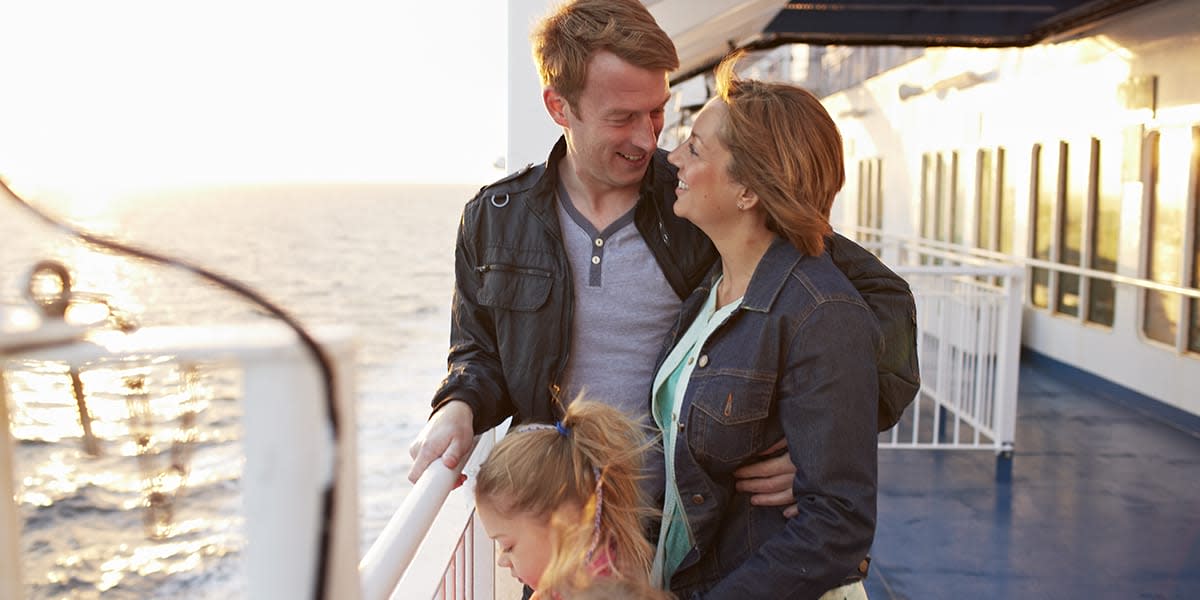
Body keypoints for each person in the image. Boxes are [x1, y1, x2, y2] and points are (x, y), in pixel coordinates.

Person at [409, 0, 915, 522]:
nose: (649, 139)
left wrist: (819, 442)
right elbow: (477, 352)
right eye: (622, 117)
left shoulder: (698, 200)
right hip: (555, 527)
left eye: (657, 110)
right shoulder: (495, 218)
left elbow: (882, 300)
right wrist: (456, 409)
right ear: (559, 107)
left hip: (686, 528)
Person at [650, 53, 879, 600]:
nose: (673, 157)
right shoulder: (712, 292)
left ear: (748, 191)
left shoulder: (822, 312)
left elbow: (837, 525)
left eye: (696, 147)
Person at [474, 398, 654, 599]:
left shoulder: (601, 594)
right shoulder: (591, 575)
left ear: (565, 523)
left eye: (508, 546)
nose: (502, 561)